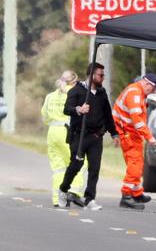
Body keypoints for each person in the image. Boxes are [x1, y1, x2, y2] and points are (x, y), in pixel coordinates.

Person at [58, 63, 119, 211]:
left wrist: (114, 133)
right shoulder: (77, 91)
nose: (103, 78)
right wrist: (79, 109)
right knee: (76, 165)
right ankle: (63, 189)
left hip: (96, 136)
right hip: (79, 135)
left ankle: (90, 198)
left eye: (103, 75)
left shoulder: (101, 93)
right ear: (92, 75)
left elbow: (107, 115)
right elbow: (67, 109)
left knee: (95, 168)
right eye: (100, 75)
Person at [113, 73, 156, 210]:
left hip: (132, 133)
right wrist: (149, 137)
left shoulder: (138, 92)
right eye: (153, 89)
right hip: (128, 133)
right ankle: (126, 196)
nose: (153, 92)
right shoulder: (134, 94)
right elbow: (137, 120)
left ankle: (136, 193)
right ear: (147, 84)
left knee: (137, 164)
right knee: (134, 164)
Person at [42, 70, 86, 207]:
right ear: (74, 81)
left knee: (58, 168)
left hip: (53, 132)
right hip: (69, 131)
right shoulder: (75, 94)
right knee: (78, 162)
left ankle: (58, 200)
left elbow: (45, 116)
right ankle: (74, 192)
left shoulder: (50, 96)